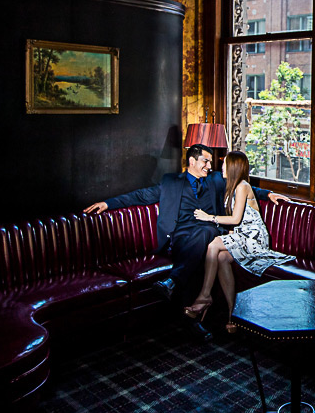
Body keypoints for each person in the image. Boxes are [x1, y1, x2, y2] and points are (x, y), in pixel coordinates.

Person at [82, 144, 287, 339]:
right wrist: (108, 203)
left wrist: (268, 194)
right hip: (180, 237)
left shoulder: (215, 179)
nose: (210, 166)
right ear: (192, 161)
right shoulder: (171, 182)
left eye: (211, 162)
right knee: (202, 244)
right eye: (205, 161)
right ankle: (192, 308)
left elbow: (242, 186)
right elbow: (142, 196)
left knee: (206, 232)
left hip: (208, 231)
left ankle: (175, 285)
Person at [190, 150, 295, 333]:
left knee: (213, 244)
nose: (221, 167)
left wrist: (209, 218)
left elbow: (236, 219)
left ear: (233, 167)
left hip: (254, 237)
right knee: (222, 259)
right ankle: (233, 315)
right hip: (242, 235)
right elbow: (236, 225)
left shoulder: (243, 186)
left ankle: (204, 296)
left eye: (224, 164)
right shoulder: (232, 187)